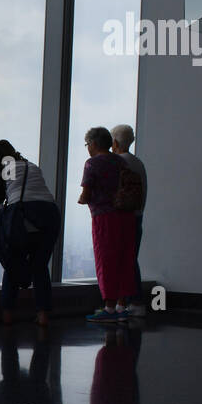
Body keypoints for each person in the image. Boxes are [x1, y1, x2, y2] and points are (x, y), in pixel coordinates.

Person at [0, 140, 60, 327]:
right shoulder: (31, 165)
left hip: (23, 215)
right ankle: (43, 315)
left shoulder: (7, 167)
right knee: (40, 267)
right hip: (50, 214)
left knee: (12, 264)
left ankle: (8, 315)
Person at [78, 127, 137, 323]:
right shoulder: (121, 161)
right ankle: (121, 307)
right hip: (126, 217)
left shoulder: (92, 163)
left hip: (104, 218)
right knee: (124, 260)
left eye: (87, 144)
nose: (88, 148)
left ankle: (109, 308)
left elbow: (86, 193)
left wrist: (82, 199)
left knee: (106, 261)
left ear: (94, 144)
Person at [111, 124, 148, 318]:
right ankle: (131, 301)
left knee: (122, 260)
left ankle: (127, 301)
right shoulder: (138, 162)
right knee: (131, 259)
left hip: (123, 218)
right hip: (137, 216)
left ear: (115, 142)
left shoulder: (117, 162)